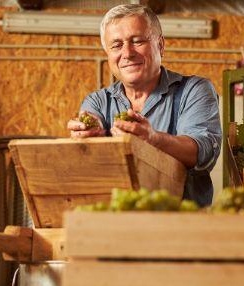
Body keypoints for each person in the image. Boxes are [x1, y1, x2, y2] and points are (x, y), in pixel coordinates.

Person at [67, 4, 222, 207]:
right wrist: (88, 135)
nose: (127, 53)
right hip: (115, 227)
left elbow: (202, 152)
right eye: (116, 45)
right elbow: (89, 162)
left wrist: (153, 139)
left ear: (160, 45)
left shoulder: (194, 90)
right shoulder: (98, 102)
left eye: (137, 41)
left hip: (181, 227)